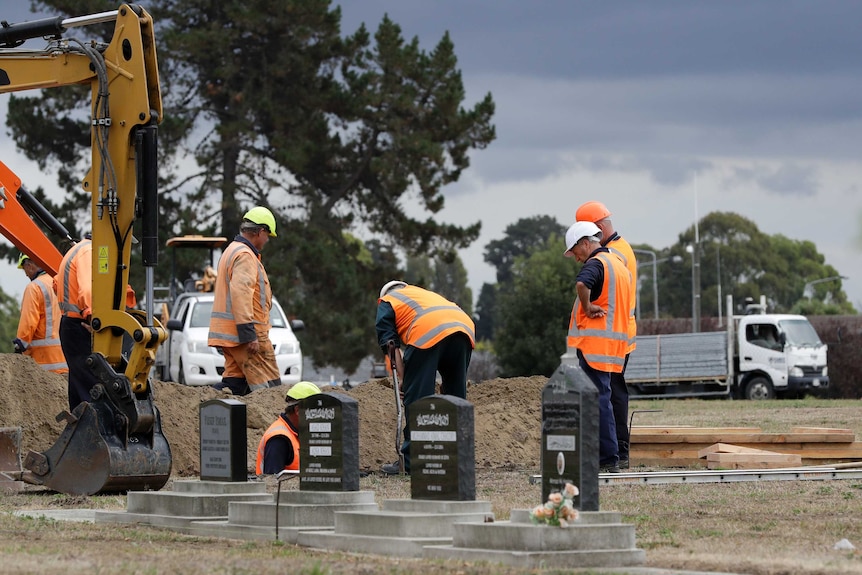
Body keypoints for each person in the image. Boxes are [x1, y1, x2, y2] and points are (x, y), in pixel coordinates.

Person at [376, 281, 476, 474]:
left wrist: (405, 380)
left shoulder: (387, 301)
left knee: (418, 402)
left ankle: (411, 462)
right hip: (463, 329)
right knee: (455, 399)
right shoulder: (422, 294)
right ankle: (458, 459)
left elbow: (391, 345)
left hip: (427, 329)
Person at [563, 221, 633, 473]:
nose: (576, 258)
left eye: (575, 251)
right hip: (615, 345)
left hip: (595, 346)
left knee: (598, 400)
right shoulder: (619, 266)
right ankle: (611, 455)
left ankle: (606, 459)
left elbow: (582, 284)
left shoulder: (596, 263)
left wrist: (587, 306)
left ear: (585, 243)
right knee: (606, 398)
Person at [208, 206, 281, 396]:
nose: (266, 241)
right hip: (247, 335)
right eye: (267, 236)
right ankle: (273, 424)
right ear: (261, 231)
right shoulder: (245, 255)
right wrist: (249, 334)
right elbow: (241, 292)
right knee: (270, 389)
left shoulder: (232, 250)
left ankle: (204, 407)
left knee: (234, 385)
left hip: (231, 334)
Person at [53, 237, 98, 411]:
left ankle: (79, 427)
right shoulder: (89, 251)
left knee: (79, 384)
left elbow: (57, 284)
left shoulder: (78, 250)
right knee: (91, 386)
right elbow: (87, 289)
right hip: (81, 326)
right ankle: (95, 431)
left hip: (71, 325)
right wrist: (92, 319)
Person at [13, 253, 68, 375]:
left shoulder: (34, 287)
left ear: (30, 265)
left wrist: (20, 344)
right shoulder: (60, 284)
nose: (26, 274)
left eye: (24, 269)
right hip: (66, 359)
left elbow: (28, 321)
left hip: (44, 363)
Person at [255, 381, 321, 475]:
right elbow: (272, 483)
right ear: (298, 410)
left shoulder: (298, 433)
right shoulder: (279, 439)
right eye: (315, 412)